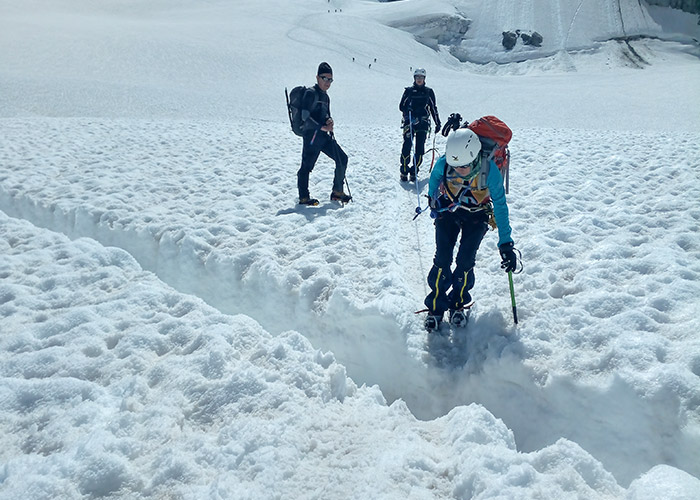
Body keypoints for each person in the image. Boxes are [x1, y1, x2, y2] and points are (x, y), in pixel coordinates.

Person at [423, 127, 519, 331]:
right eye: (456, 166)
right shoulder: (445, 163)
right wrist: (432, 198)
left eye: (465, 166)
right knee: (442, 258)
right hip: (448, 211)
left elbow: (500, 206)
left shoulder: (490, 170)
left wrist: (506, 244)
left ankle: (458, 304)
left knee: (465, 260)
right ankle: (435, 307)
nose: (459, 170)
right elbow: (434, 177)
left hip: (477, 215)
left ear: (475, 156)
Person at [297, 62, 351, 205]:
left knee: (342, 159)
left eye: (330, 79)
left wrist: (329, 120)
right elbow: (304, 117)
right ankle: (304, 197)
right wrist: (322, 127)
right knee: (306, 167)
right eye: (325, 78)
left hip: (323, 136)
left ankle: (337, 192)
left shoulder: (325, 96)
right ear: (317, 77)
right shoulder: (310, 93)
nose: (328, 82)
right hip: (311, 137)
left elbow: (326, 114)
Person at [398, 68, 441, 182]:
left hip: (423, 123)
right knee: (407, 147)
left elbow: (433, 108)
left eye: (421, 78)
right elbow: (401, 106)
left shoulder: (428, 92)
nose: (419, 80)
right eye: (417, 78)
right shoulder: (409, 91)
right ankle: (404, 170)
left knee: (420, 149)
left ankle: (414, 171)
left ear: (424, 79)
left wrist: (438, 123)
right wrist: (408, 108)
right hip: (410, 122)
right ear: (414, 78)